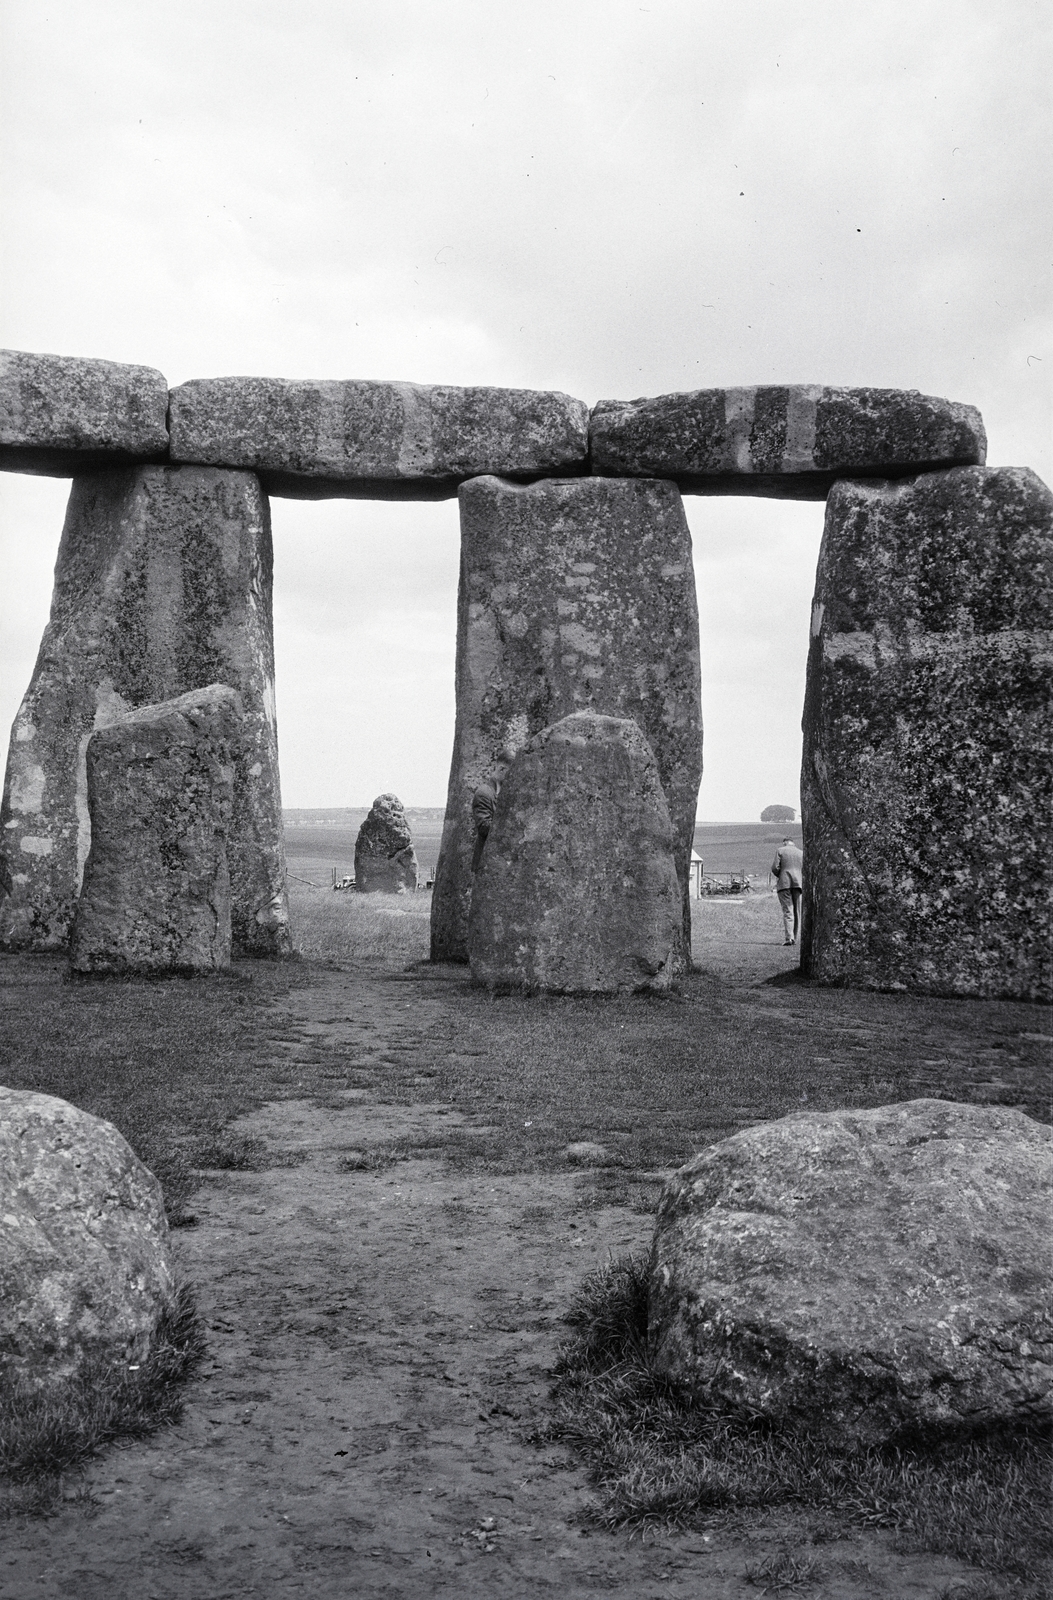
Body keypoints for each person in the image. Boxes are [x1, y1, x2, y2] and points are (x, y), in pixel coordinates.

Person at [771, 835, 804, 945]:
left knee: (788, 911)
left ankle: (789, 938)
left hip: (784, 884)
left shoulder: (780, 850)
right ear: (792, 843)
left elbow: (775, 867)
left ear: (785, 842)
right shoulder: (801, 853)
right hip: (798, 884)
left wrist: (781, 875)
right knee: (797, 911)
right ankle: (795, 937)